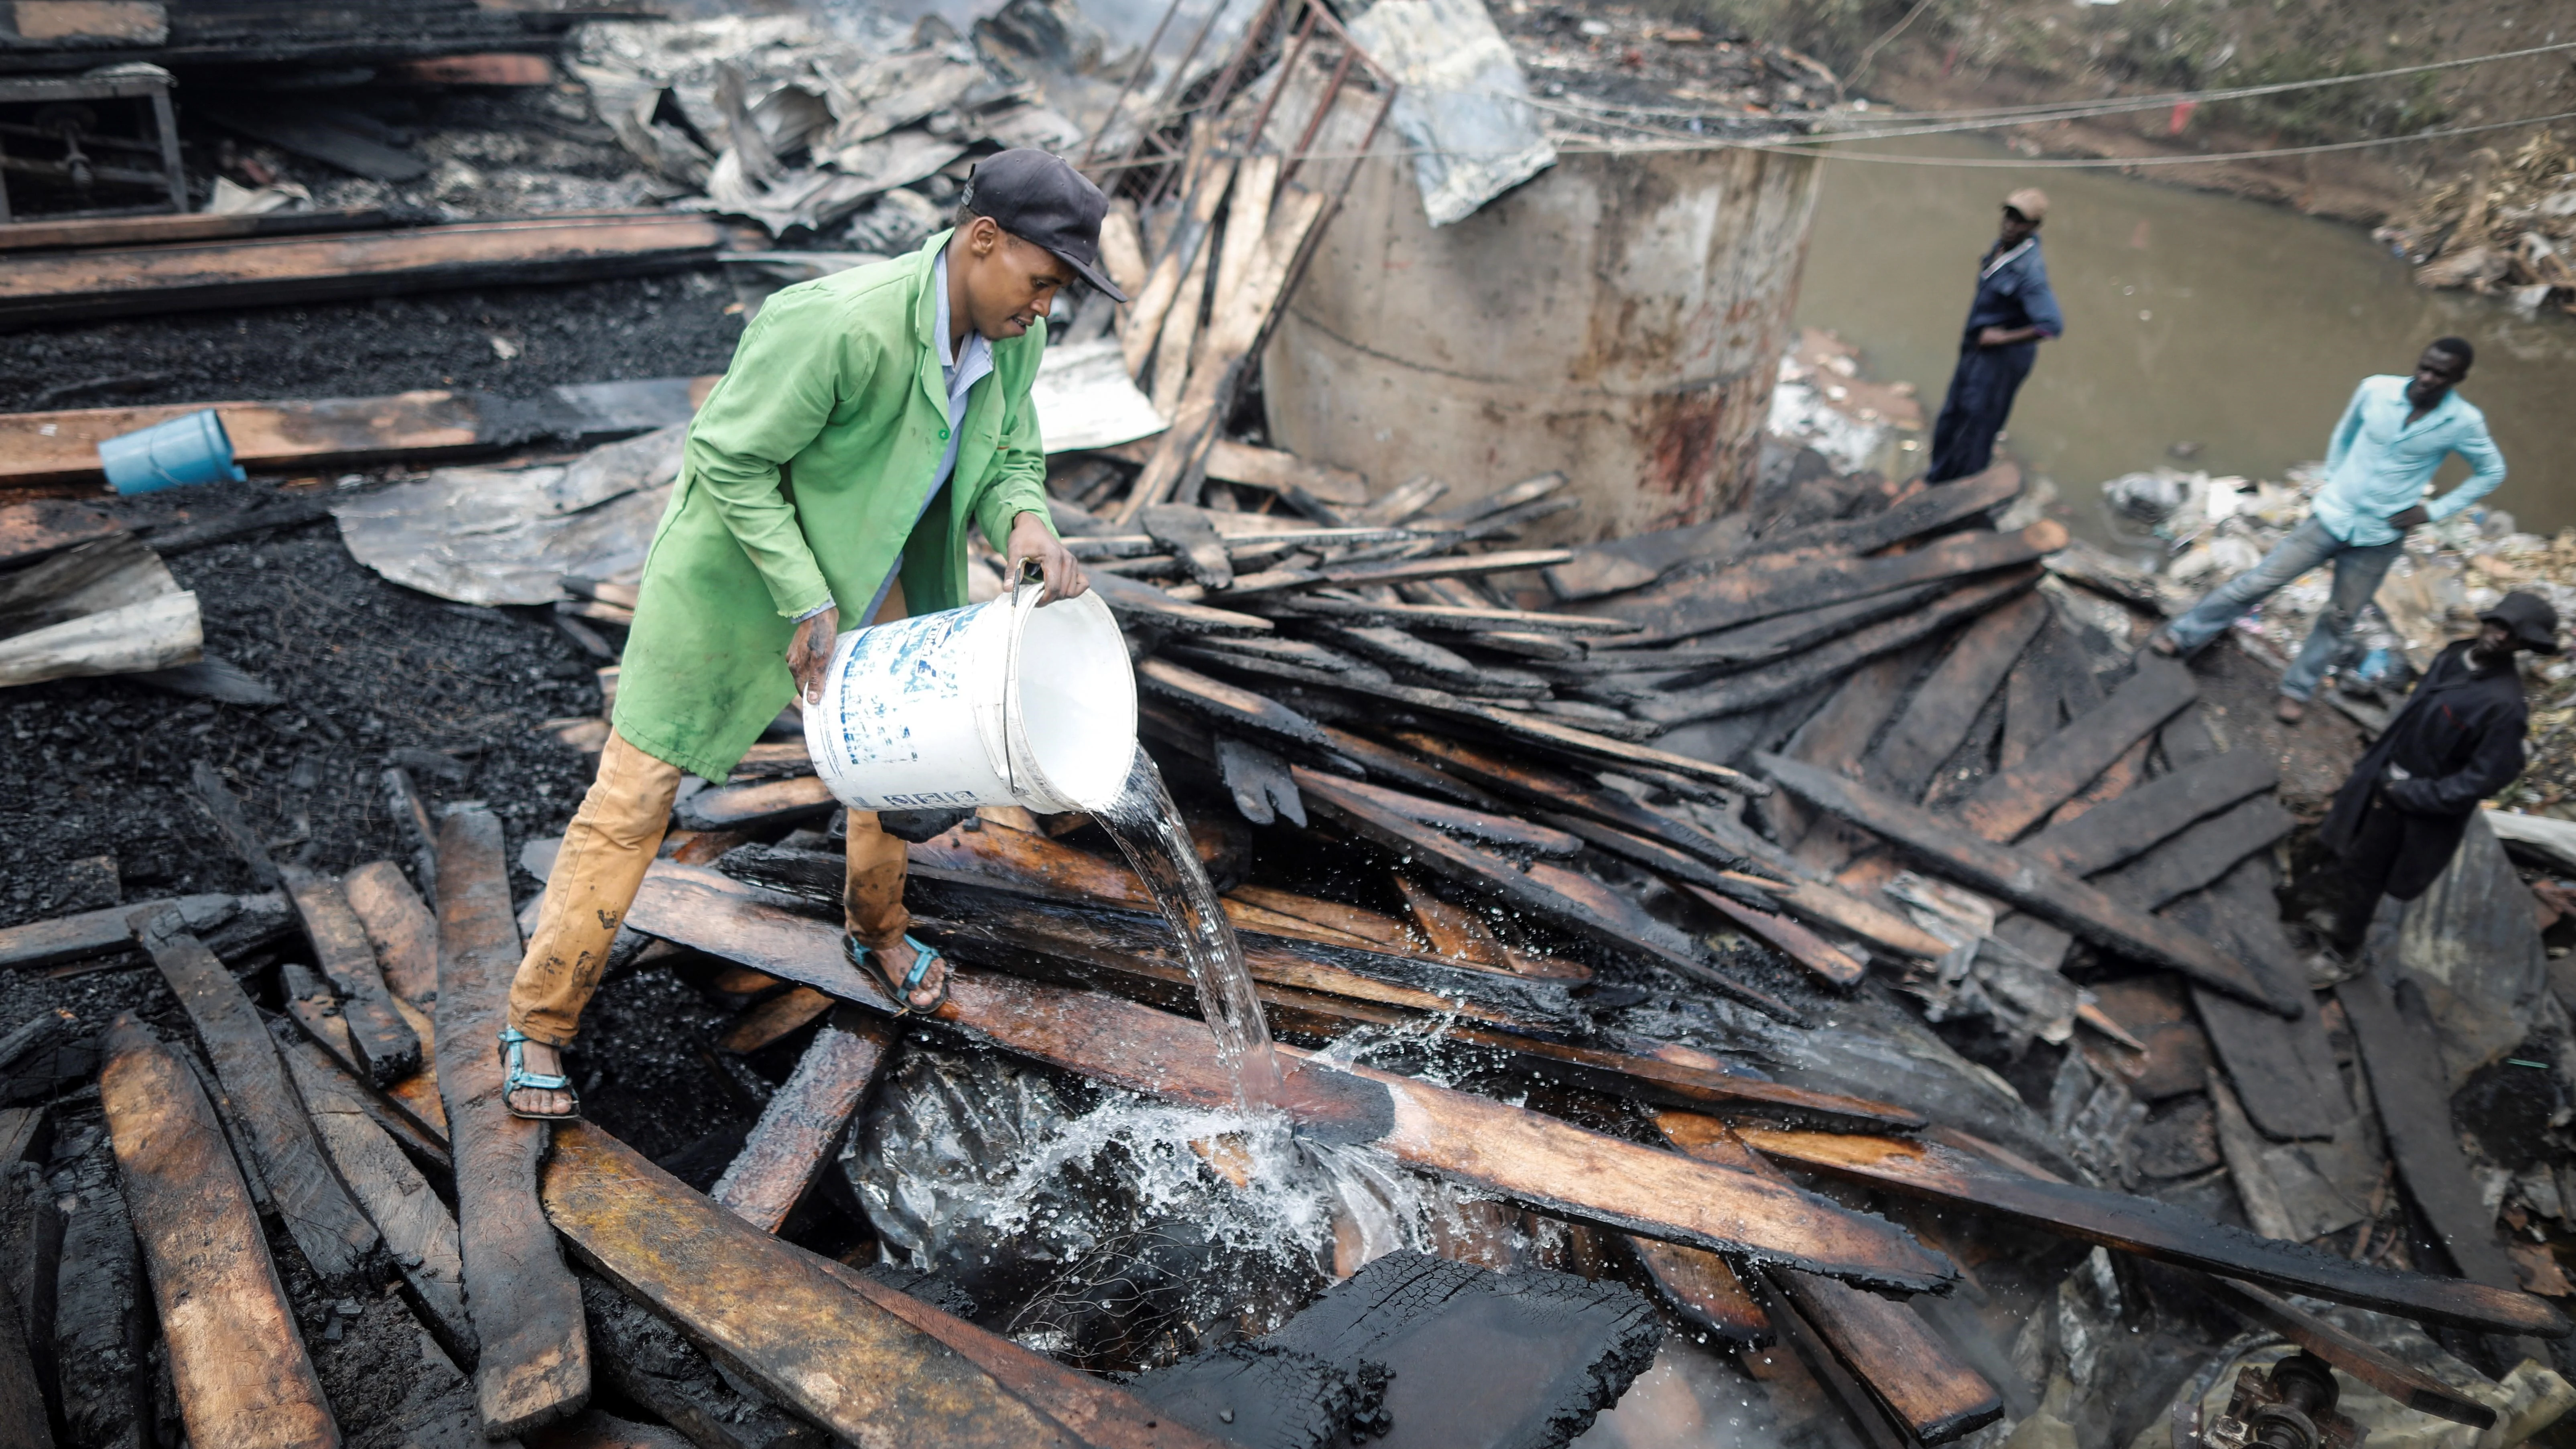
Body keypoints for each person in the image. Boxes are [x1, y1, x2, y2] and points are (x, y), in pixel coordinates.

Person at [496, 150, 1122, 1118]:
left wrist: (1025, 521)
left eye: (1060, 294)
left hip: (877, 573)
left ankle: (876, 928)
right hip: (740, 582)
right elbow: (729, 457)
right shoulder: (835, 323)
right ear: (982, 241)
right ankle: (539, 1017)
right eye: (1043, 281)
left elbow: (1006, 455)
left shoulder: (1012, 338)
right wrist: (803, 594)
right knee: (637, 792)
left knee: (897, 758)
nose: (1045, 307)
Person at [2151, 338, 2506, 723]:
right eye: (2425, 367)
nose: (2427, 378)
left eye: (2440, 375)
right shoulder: (2377, 390)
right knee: (2258, 582)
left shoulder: (2463, 422)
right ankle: (2184, 634)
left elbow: (2491, 471)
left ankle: (2297, 689)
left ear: (2459, 378)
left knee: (2339, 618)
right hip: (2330, 517)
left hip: (2379, 535)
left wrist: (2432, 511)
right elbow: (2344, 434)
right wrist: (2334, 481)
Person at [2318, 591, 2558, 957]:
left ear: (2523, 644)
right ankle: (2332, 913)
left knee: (2367, 872)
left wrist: (2412, 794)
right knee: (2346, 846)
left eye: (2512, 635)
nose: (2499, 637)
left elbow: (2485, 778)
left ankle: (2343, 952)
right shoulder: (2453, 655)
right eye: (2498, 625)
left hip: (2410, 804)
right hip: (2385, 775)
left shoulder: (2504, 706)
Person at [1926, 187, 2063, 484]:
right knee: (1952, 415)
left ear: (2034, 228)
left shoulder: (2030, 272)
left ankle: (1960, 493)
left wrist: (2001, 338)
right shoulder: (2001, 248)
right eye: (2009, 217)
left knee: (1976, 425)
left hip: (1999, 360)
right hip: (1976, 350)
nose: (2010, 225)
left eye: (2020, 222)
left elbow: (2050, 325)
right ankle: (1936, 479)